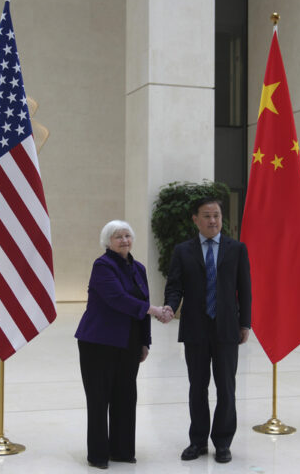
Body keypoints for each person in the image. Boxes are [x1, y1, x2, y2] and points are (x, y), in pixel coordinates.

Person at [75, 220, 172, 469]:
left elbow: (142, 301)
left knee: (125, 396)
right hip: (99, 342)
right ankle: (98, 455)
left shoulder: (138, 268)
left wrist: (145, 341)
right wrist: (155, 310)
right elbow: (118, 299)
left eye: (127, 235)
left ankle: (122, 450)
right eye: (118, 237)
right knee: (99, 399)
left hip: (129, 342)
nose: (124, 240)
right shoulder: (102, 266)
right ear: (108, 242)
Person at [163, 196, 251, 464]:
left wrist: (245, 322)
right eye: (207, 216)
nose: (213, 221)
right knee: (197, 387)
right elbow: (175, 285)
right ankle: (198, 441)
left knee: (226, 388)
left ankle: (222, 442)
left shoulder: (237, 249)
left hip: (226, 328)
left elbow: (245, 288)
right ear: (195, 219)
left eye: (217, 216)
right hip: (195, 329)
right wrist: (170, 307)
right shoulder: (183, 251)